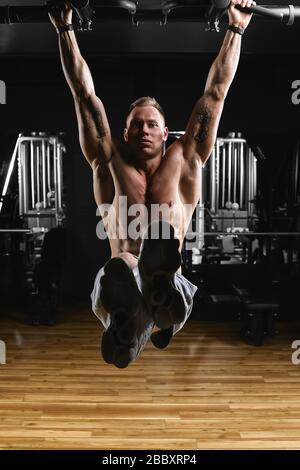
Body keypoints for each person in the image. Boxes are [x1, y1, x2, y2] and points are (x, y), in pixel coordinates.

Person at [47, 0, 254, 368]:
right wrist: (65, 29)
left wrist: (236, 29)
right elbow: (83, 94)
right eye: (136, 125)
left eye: (151, 124)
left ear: (165, 131)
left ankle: (152, 302)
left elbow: (215, 94)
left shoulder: (186, 159)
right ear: (124, 132)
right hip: (119, 287)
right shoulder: (108, 160)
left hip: (165, 284)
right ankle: (142, 315)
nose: (144, 129)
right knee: (125, 264)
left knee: (138, 265)